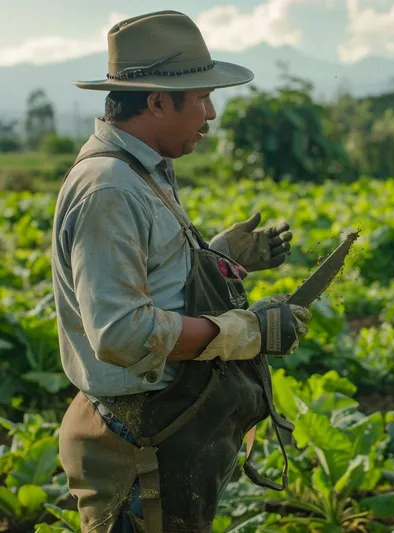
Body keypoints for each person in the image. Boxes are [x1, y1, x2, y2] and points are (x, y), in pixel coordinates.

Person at [52, 11, 313, 533]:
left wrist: (211, 259)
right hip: (134, 445)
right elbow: (122, 332)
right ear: (155, 101)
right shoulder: (110, 188)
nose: (211, 113)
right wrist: (239, 333)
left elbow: (146, 281)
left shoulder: (141, 170)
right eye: (200, 98)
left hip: (160, 427)